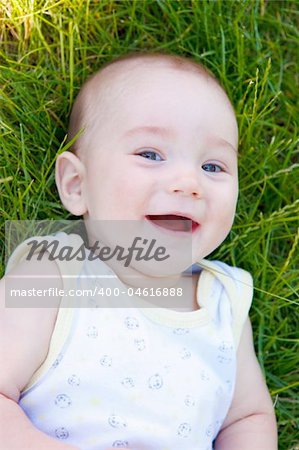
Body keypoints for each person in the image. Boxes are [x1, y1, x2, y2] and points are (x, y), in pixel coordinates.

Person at [0, 53, 277, 450]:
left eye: (213, 167)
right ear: (77, 185)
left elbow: (247, 417)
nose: (189, 182)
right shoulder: (53, 274)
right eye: (150, 155)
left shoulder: (224, 304)